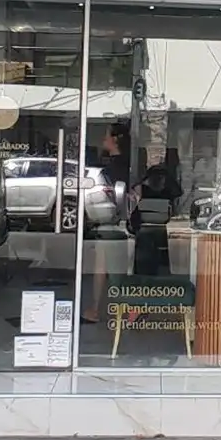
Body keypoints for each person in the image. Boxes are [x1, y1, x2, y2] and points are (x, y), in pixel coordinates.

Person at [81, 122, 132, 325]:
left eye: (107, 135)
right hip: (112, 223)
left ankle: (125, 309)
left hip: (112, 222)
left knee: (112, 268)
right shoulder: (125, 164)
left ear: (115, 139)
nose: (103, 139)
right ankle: (97, 308)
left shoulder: (115, 168)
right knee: (104, 266)